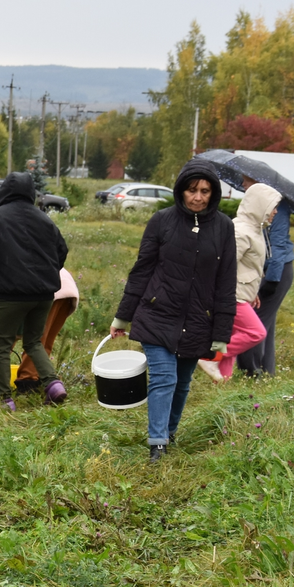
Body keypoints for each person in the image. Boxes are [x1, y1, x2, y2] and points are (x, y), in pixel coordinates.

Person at [110, 160, 236, 462]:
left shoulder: (223, 228)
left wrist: (221, 332)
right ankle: (157, 443)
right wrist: (123, 316)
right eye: (192, 190)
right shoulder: (161, 221)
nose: (198, 197)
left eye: (205, 191)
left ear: (213, 193)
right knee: (164, 377)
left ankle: (169, 432)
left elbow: (226, 282)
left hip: (197, 320)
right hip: (157, 313)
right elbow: (141, 270)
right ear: (181, 190)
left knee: (182, 382)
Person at [0, 172, 70, 411]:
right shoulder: (45, 220)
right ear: (31, 193)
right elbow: (62, 251)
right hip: (44, 295)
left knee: (0, 345)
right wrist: (44, 274)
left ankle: (3, 399)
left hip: (13, 295)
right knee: (33, 342)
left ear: (5, 192)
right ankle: (53, 384)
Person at [197, 178, 272, 383]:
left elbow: (246, 265)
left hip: (240, 293)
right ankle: (210, 357)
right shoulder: (241, 231)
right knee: (255, 332)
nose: (275, 212)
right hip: (232, 296)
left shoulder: (255, 229)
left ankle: (221, 387)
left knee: (228, 337)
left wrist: (253, 290)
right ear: (260, 206)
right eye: (273, 207)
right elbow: (223, 265)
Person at [235, 179, 294, 376]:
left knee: (257, 323)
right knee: (264, 324)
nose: (244, 185)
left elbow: (277, 247)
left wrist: (271, 281)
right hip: (262, 272)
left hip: (275, 273)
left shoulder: (276, 209)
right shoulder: (255, 217)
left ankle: (252, 372)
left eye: (248, 182)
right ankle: (266, 372)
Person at [13, 268, 80, 394]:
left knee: (35, 341)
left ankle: (28, 384)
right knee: (46, 340)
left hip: (48, 289)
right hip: (65, 287)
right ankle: (41, 380)